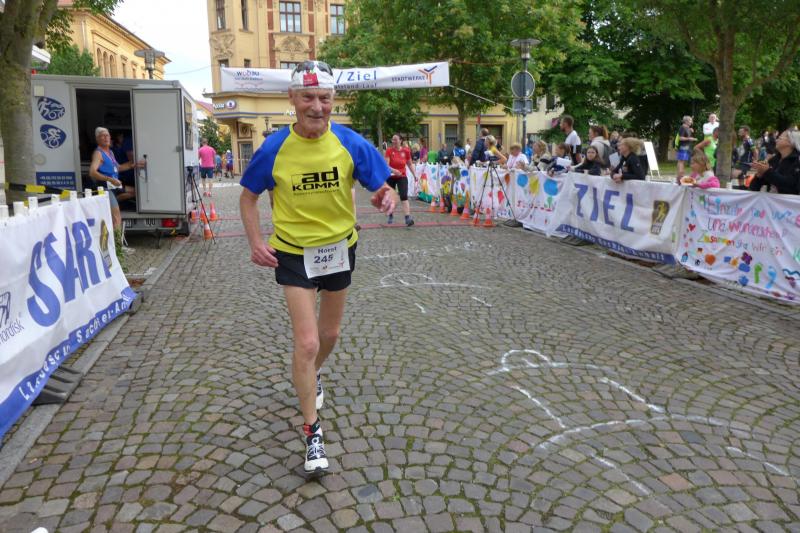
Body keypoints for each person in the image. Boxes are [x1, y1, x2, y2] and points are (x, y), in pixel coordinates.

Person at [239, 61, 397, 475]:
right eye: (307, 97)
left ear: (333, 100)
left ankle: (313, 374)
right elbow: (248, 197)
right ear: (292, 99)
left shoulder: (350, 142)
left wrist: (385, 196)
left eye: (324, 98)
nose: (316, 106)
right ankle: (312, 432)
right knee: (307, 342)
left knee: (330, 335)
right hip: (293, 253)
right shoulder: (274, 148)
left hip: (339, 248)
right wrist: (256, 241)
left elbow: (381, 186)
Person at [88, 127, 143, 230]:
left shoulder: (110, 152)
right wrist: (110, 179)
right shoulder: (98, 153)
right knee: (117, 218)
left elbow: (118, 168)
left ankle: (111, 202)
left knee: (136, 192)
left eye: (107, 135)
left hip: (115, 186)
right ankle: (117, 241)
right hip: (106, 188)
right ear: (97, 139)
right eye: (102, 136)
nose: (106, 138)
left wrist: (133, 164)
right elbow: (92, 172)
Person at [748, 129, 800, 194]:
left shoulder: (797, 161)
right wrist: (759, 175)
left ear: (791, 142)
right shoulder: (774, 160)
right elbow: (753, 188)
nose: (776, 140)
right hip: (771, 200)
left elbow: (791, 186)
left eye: (780, 138)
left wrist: (767, 171)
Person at [385, 133, 417, 226]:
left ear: (400, 140)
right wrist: (394, 170)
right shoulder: (389, 151)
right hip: (390, 176)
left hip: (402, 176)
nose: (393, 141)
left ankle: (407, 218)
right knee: (390, 197)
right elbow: (386, 165)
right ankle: (390, 214)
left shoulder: (406, 151)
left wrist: (414, 174)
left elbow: (409, 164)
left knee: (404, 196)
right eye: (392, 139)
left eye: (395, 139)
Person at [111, 131, 136, 205]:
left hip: (120, 181)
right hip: (117, 183)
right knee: (137, 192)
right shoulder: (112, 151)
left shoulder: (115, 150)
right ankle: (113, 201)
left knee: (137, 192)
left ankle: (113, 201)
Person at [676, 116, 697, 181]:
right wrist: (689, 138)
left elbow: (686, 135)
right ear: (686, 121)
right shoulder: (682, 128)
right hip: (683, 146)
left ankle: (681, 176)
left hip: (687, 147)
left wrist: (690, 130)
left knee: (683, 162)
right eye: (690, 121)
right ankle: (680, 176)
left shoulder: (687, 128)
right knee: (681, 161)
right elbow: (680, 138)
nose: (691, 122)